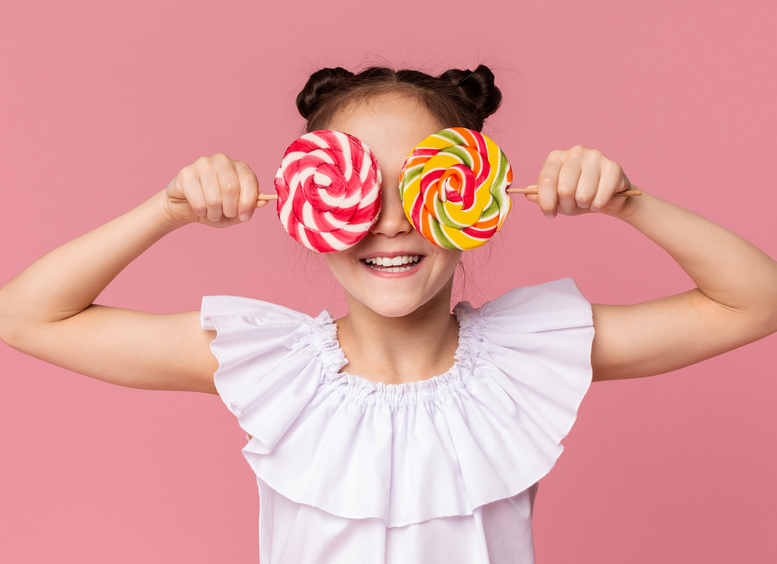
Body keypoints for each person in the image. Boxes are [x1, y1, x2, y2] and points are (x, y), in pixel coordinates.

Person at [1, 65, 775, 564]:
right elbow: (27, 316)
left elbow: (755, 300)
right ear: (305, 205)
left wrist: (629, 203)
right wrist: (166, 210)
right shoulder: (267, 364)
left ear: (475, 199)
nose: (390, 220)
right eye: (356, 190)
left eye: (420, 185)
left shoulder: (527, 356)